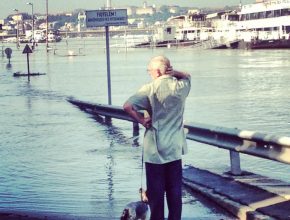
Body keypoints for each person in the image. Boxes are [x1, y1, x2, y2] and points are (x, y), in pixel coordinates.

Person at [123, 55, 191, 220]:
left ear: (158, 71)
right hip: (174, 148)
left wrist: (141, 120)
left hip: (155, 150)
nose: (149, 74)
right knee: (174, 191)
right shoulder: (181, 87)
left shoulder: (149, 89)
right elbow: (187, 75)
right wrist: (174, 72)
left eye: (150, 71)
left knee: (156, 192)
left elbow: (127, 106)